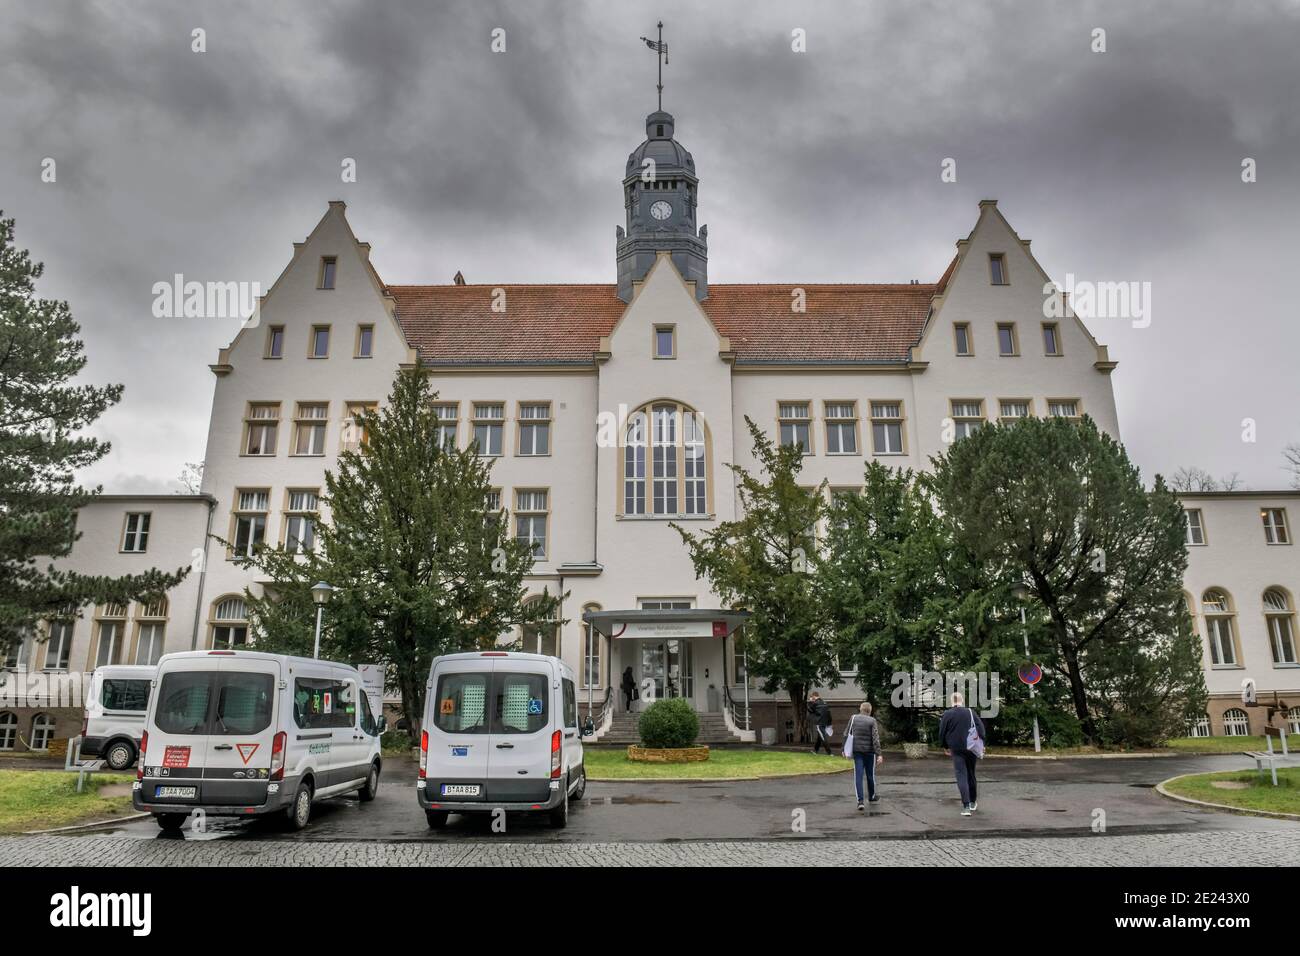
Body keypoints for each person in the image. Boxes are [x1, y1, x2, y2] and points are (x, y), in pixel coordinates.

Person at [937, 691, 986, 816]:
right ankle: (973, 802)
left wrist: (945, 746)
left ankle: (966, 807)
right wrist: (982, 744)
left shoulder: (947, 714)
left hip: (956, 749)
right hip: (971, 748)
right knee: (971, 774)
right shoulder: (970, 712)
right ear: (962, 700)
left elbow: (942, 732)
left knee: (961, 775)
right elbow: (981, 729)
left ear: (951, 701)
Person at [845, 701, 883, 810]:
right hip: (870, 753)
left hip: (857, 752)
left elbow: (846, 733)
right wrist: (879, 754)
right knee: (870, 776)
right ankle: (871, 796)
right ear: (870, 711)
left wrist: (844, 749)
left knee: (858, 775)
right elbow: (875, 739)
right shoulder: (872, 721)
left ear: (860, 709)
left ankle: (860, 801)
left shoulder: (853, 718)